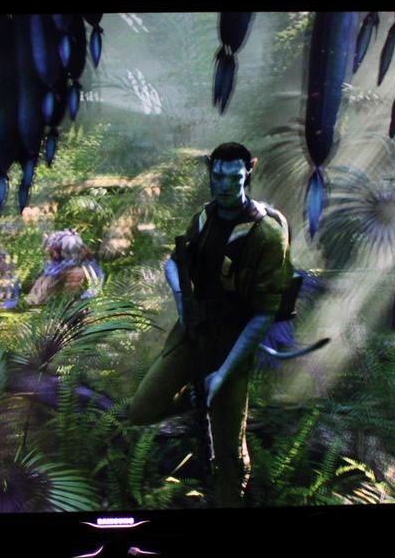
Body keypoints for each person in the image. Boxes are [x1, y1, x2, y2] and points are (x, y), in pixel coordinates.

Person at [126, 142, 294, 506]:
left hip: (233, 342)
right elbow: (174, 262)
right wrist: (180, 296)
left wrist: (222, 375)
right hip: (192, 333)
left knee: (230, 456)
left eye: (235, 178)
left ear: (249, 171)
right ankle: (196, 396)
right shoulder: (204, 217)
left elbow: (264, 314)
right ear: (210, 170)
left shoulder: (266, 234)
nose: (225, 186)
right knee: (141, 409)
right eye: (218, 176)